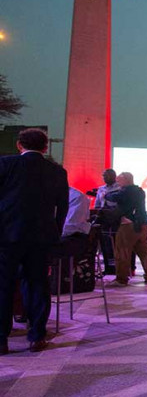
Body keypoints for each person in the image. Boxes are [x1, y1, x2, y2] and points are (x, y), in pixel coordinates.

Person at [0, 128, 69, 354]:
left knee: (4, 285)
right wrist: (55, 232)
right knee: (38, 285)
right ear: (45, 147)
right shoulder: (57, 171)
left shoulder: (6, 164)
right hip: (41, 237)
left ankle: (1, 340)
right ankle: (37, 336)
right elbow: (63, 207)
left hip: (7, 236)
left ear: (19, 145)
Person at [106, 172, 147, 285]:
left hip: (128, 225)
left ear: (126, 180)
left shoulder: (126, 191)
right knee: (144, 252)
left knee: (122, 252)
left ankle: (121, 279)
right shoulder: (140, 191)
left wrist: (104, 194)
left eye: (119, 180)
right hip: (143, 225)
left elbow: (113, 197)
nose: (118, 183)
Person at [93, 168, 120, 275]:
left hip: (115, 218)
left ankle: (118, 267)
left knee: (115, 243)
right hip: (103, 218)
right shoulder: (101, 189)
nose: (105, 178)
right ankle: (108, 267)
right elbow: (97, 204)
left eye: (107, 176)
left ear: (114, 176)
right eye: (103, 176)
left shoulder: (119, 188)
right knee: (105, 243)